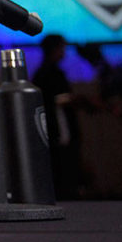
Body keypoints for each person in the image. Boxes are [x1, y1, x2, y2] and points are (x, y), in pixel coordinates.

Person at [32, 33, 82, 199]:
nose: (64, 53)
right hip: (56, 130)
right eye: (62, 48)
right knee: (61, 169)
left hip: (55, 130)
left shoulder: (44, 72)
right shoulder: (49, 73)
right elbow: (56, 98)